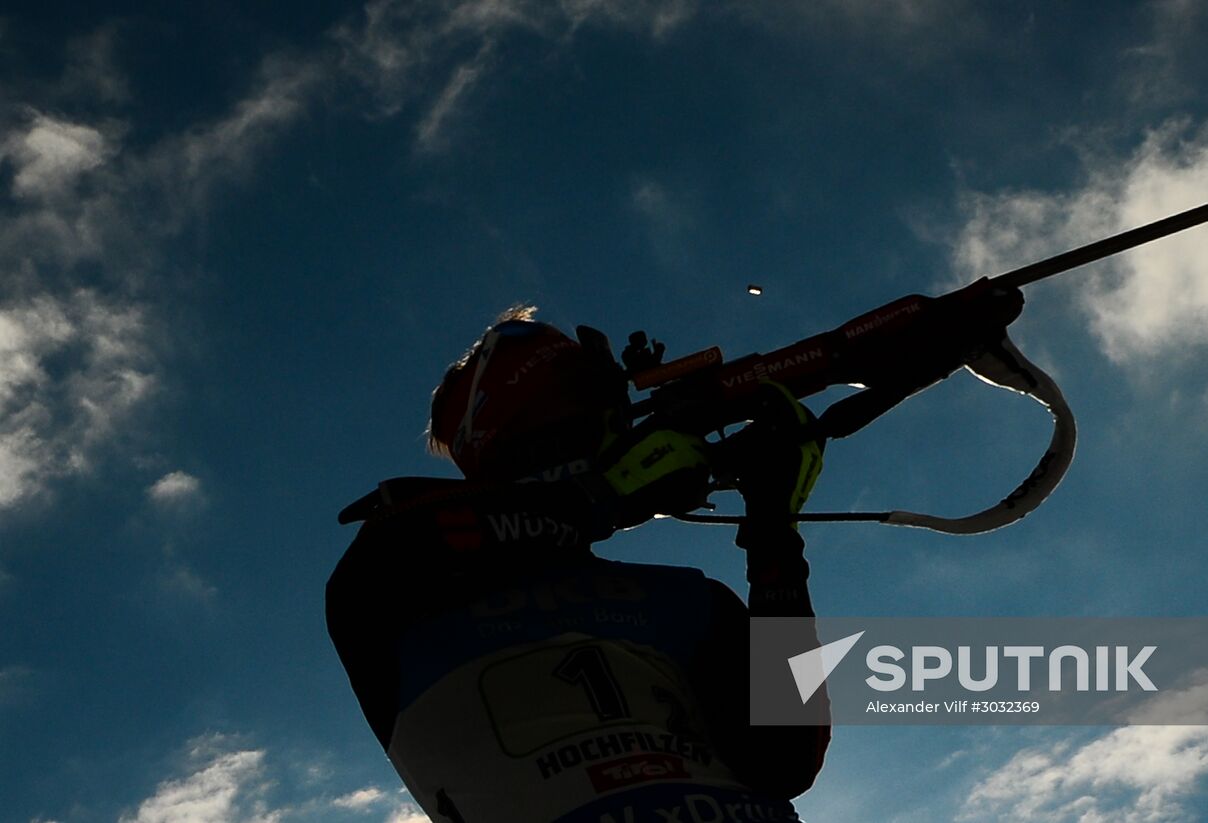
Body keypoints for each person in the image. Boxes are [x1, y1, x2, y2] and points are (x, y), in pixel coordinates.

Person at [327, 288, 1020, 822]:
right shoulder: (396, 586)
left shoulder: (690, 598)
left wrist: (775, 535)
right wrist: (605, 494)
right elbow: (412, 545)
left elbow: (786, 756)